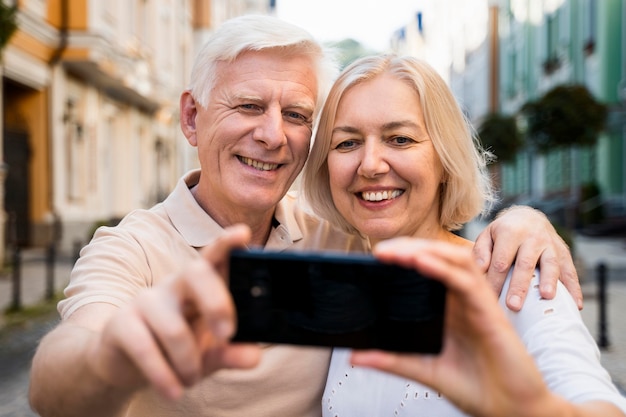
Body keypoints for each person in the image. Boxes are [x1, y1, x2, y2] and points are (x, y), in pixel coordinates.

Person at [29, 15, 581, 417]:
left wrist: (526, 219)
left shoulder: (339, 234)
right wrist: (112, 356)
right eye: (248, 106)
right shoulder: (132, 250)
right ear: (192, 118)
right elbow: (56, 381)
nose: (272, 135)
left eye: (295, 115)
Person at [301, 54, 626, 416]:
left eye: (400, 139)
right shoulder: (341, 287)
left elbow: (597, 402)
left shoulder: (516, 283)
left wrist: (535, 409)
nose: (371, 164)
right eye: (346, 143)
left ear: (444, 159)